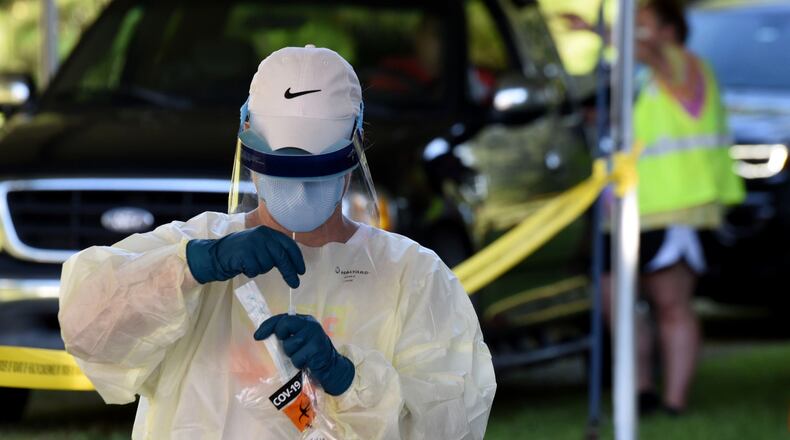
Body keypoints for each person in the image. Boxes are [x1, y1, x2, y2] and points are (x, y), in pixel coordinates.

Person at [58, 45, 496, 439]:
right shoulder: (197, 245)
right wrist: (192, 266)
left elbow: (450, 421)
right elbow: (87, 328)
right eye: (280, 167)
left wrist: (347, 379)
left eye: (317, 169)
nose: (299, 190)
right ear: (247, 142)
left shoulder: (411, 277)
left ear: (355, 147)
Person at [564, 0, 744, 415]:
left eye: (642, 26)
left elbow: (647, 50)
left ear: (669, 31)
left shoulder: (683, 63)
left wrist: (595, 30)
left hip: (676, 207)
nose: (634, 35)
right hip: (623, 210)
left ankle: (674, 402)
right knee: (616, 302)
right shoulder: (641, 76)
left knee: (670, 303)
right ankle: (641, 390)